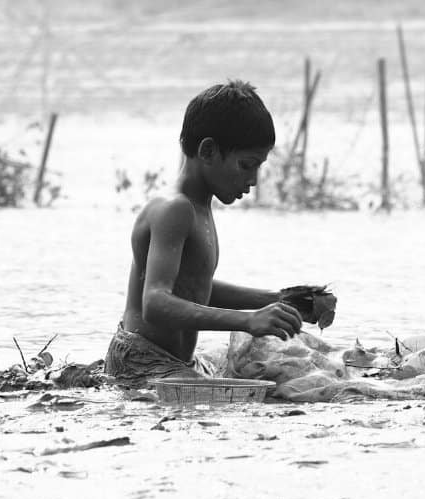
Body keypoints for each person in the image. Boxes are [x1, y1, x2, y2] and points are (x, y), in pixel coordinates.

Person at [106, 80, 305, 387]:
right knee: (270, 393)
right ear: (208, 151)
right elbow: (156, 303)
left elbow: (193, 288)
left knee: (271, 373)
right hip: (142, 364)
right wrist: (248, 321)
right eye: (246, 165)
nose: (252, 180)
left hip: (175, 363)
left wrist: (279, 300)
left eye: (258, 167)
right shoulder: (174, 209)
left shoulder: (199, 208)